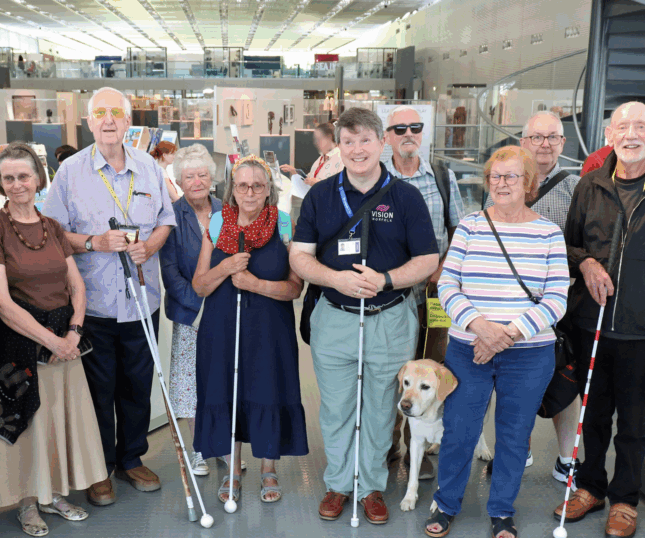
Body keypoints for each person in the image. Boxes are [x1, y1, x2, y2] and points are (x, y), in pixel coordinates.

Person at [553, 102, 645, 538]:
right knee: (594, 414)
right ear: (609, 134)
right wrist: (585, 264)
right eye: (623, 127)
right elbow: (567, 246)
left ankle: (624, 500)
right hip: (591, 324)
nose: (631, 134)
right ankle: (591, 487)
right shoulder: (589, 185)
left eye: (640, 126)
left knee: (634, 422)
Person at [290, 107, 439, 524]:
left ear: (382, 143)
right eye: (349, 141)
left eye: (365, 140)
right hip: (335, 315)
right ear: (339, 146)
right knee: (336, 408)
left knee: (379, 408)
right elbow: (300, 257)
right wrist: (334, 280)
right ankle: (339, 484)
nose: (357, 149)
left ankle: (372, 486)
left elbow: (428, 258)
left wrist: (387, 279)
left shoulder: (405, 196)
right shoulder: (320, 195)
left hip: (390, 318)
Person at [41, 86, 176, 506]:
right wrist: (93, 242)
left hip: (141, 298)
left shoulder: (149, 169)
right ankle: (99, 467)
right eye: (100, 113)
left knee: (137, 385)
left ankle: (132, 457)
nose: (109, 120)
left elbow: (166, 221)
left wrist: (150, 246)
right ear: (88, 121)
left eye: (116, 112)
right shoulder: (71, 172)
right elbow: (53, 233)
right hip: (94, 303)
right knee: (99, 389)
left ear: (129, 119)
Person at [427, 145, 568, 538]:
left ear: (528, 183)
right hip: (469, 346)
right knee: (459, 428)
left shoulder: (548, 233)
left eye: (511, 177)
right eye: (495, 177)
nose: (501, 184)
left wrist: (506, 334)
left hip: (528, 353)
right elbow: (448, 285)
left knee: (513, 433)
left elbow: (557, 297)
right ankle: (446, 502)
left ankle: (502, 510)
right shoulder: (471, 226)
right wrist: (481, 327)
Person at [0, 143, 107, 535]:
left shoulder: (52, 226)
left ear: (39, 178)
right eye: (9, 178)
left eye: (24, 176)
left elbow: (77, 286)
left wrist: (73, 333)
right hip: (21, 345)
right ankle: (27, 503)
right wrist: (51, 343)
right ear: (0, 184)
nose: (18, 184)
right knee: (28, 427)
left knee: (57, 422)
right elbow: (1, 303)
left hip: (65, 343)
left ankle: (54, 493)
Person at [191, 155, 307, 504]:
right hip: (221, 328)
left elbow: (295, 288)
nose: (250, 192)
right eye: (243, 185)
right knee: (227, 391)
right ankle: (233, 468)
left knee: (267, 389)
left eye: (258, 185)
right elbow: (200, 286)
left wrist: (255, 284)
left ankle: (268, 469)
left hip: (270, 330)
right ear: (233, 190)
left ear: (269, 189)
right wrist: (226, 267)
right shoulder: (216, 225)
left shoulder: (284, 225)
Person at [483, 111, 582, 479]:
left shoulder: (577, 187)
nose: (544, 144)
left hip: (557, 304)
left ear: (562, 143)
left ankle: (566, 457)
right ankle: (516, 450)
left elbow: (583, 245)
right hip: (502, 303)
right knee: (506, 382)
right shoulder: (503, 179)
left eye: (552, 137)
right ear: (523, 141)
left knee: (565, 379)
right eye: (536, 137)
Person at [383, 105, 466, 475]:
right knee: (393, 372)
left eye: (415, 127)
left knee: (432, 369)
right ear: (387, 136)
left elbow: (462, 233)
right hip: (391, 297)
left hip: (434, 297)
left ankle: (424, 441)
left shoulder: (442, 178)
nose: (407, 134)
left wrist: (443, 267)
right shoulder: (378, 178)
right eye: (398, 128)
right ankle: (389, 445)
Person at [159, 145, 222, 478]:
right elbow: (171, 274)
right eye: (189, 176)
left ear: (211, 177)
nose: (197, 181)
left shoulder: (228, 210)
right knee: (192, 385)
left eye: (202, 174)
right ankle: (198, 448)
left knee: (222, 381)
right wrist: (201, 308)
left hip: (225, 312)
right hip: (191, 315)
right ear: (179, 180)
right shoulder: (171, 216)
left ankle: (221, 444)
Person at [280, 122, 343, 225]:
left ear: (329, 137)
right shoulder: (321, 158)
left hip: (328, 213)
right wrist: (294, 171)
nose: (316, 143)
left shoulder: (340, 158)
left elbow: (341, 187)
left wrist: (318, 183)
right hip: (313, 207)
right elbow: (309, 178)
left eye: (319, 139)